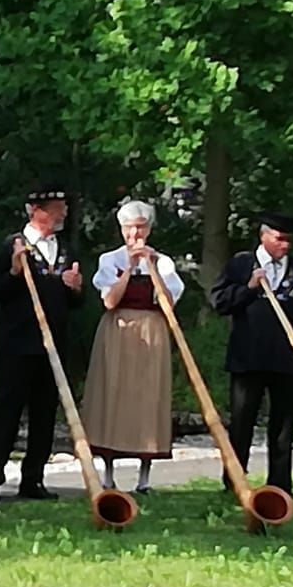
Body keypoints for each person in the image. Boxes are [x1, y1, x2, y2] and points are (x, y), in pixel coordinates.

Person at [0, 183, 85, 502]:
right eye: (56, 209)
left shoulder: (64, 249)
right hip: (18, 343)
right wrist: (13, 272)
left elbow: (74, 303)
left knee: (44, 413)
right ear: (37, 211)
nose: (63, 214)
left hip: (54, 345)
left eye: (63, 208)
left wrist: (74, 288)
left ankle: (33, 479)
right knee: (8, 409)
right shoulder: (14, 245)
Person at [209, 211, 293, 495]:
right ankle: (234, 480)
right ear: (263, 236)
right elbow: (219, 301)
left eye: (289, 240)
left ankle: (280, 484)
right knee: (242, 422)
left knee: (283, 425)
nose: (285, 245)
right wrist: (248, 288)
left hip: (286, 358)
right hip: (247, 357)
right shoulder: (241, 264)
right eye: (279, 239)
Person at [79, 200, 184, 495]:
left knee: (148, 397)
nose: (135, 234)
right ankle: (108, 473)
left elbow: (168, 303)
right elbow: (110, 301)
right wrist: (130, 268)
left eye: (140, 227)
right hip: (118, 330)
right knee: (112, 393)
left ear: (148, 229)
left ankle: (144, 476)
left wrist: (151, 267)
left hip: (152, 329)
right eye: (129, 228)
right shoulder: (109, 260)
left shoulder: (163, 262)